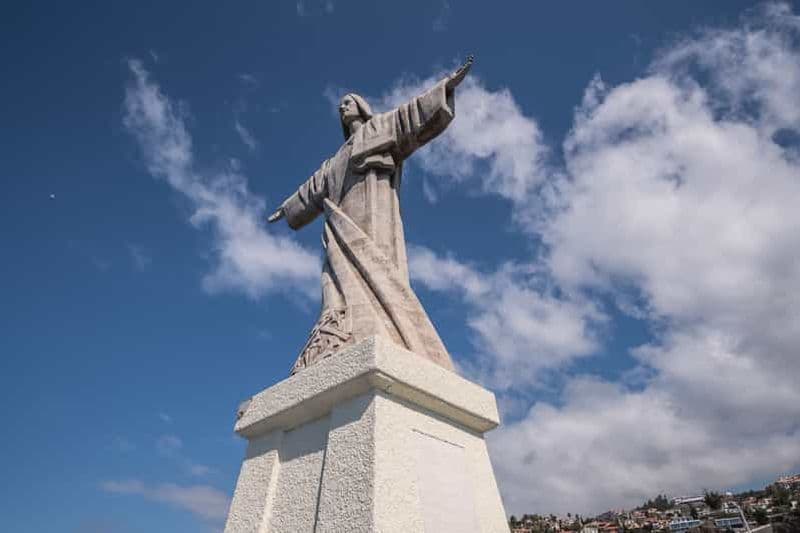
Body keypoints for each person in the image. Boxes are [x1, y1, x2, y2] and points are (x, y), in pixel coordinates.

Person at [269, 56, 473, 375]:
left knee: (374, 267)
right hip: (338, 225)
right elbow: (311, 189)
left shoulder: (379, 128)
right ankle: (337, 330)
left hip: (373, 219)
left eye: (348, 102)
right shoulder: (335, 160)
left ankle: (379, 325)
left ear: (361, 107)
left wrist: (444, 87)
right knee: (334, 281)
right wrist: (287, 207)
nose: (342, 107)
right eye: (340, 105)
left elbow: (411, 115)